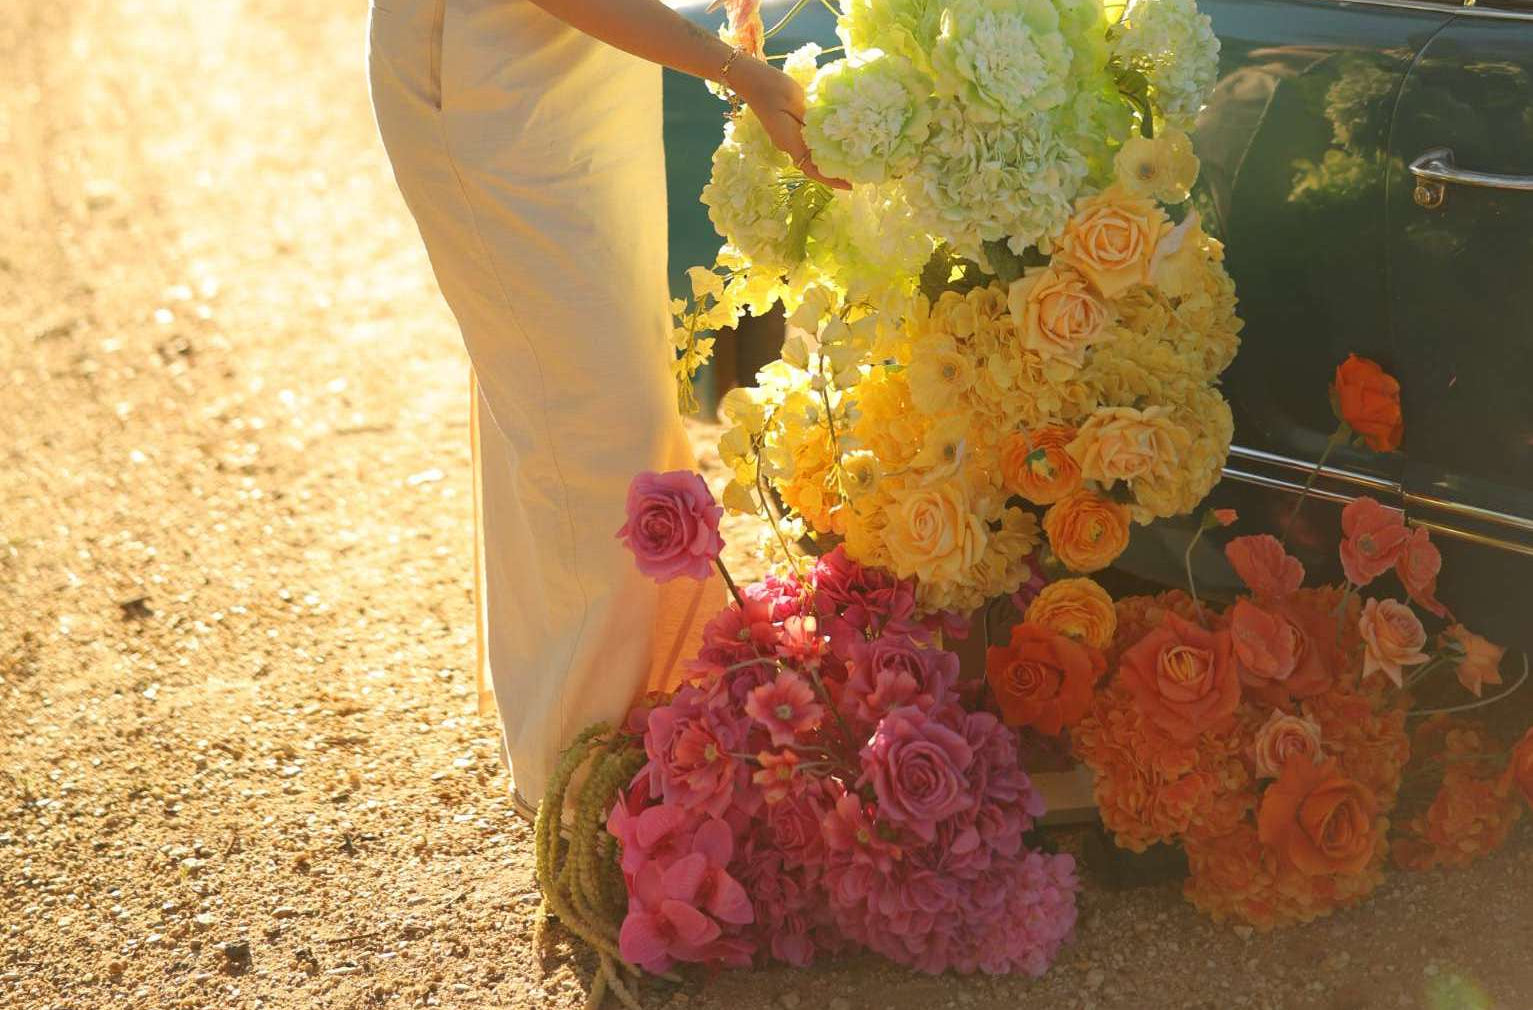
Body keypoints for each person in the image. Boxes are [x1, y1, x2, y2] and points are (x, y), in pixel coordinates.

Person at [366, 0, 837, 813]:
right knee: (594, 423)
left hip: (577, 66)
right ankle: (602, 776)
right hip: (492, 73)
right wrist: (737, 72)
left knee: (582, 397)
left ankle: (622, 736)